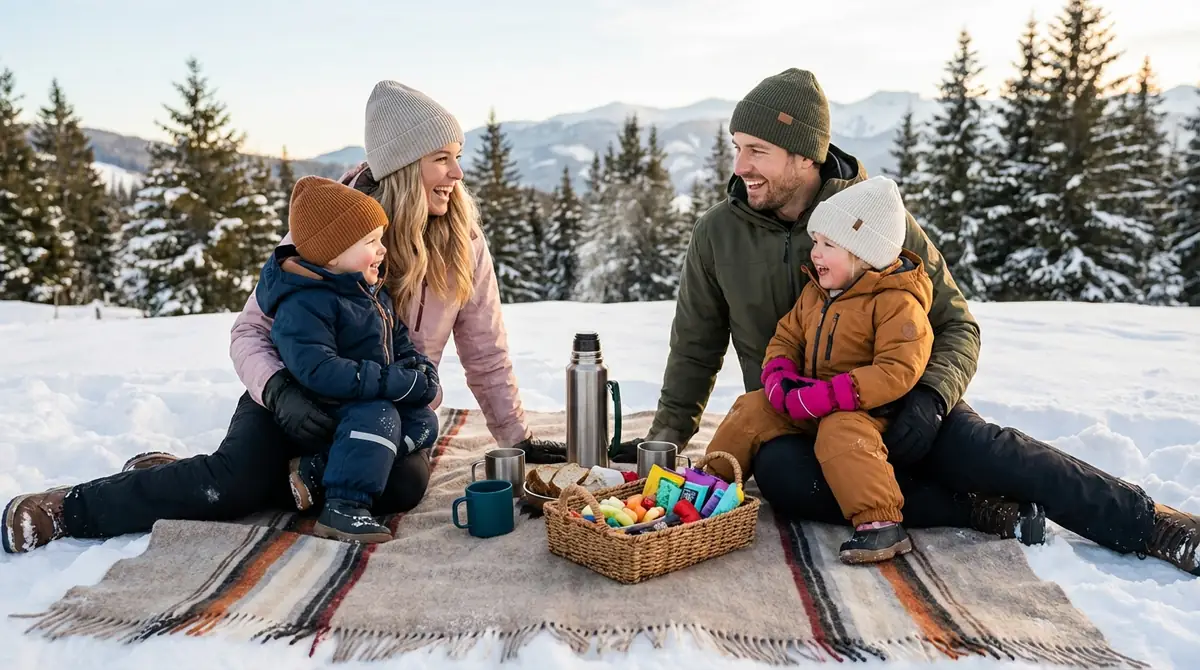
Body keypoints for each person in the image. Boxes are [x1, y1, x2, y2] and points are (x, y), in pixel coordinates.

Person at [637, 68, 1200, 576]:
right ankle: (975, 510)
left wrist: (932, 397)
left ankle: (1152, 525)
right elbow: (695, 348)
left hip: (900, 399)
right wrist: (659, 451)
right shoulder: (718, 233)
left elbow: (958, 325)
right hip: (800, 417)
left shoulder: (875, 220)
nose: (739, 168)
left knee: (986, 450)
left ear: (804, 155)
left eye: (755, 150)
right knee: (785, 480)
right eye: (737, 148)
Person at [2, 80, 562, 554]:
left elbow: (485, 350)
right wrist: (277, 393)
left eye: (457, 156)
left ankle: (283, 476)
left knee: (402, 487)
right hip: (301, 399)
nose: (458, 174)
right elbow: (250, 329)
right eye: (443, 158)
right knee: (236, 484)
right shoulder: (330, 225)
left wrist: (516, 437)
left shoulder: (462, 242)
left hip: (379, 411)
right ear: (404, 165)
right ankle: (70, 509)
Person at [706, 175, 945, 564]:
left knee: (841, 432)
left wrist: (834, 395)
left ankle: (880, 523)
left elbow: (897, 369)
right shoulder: (817, 292)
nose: (815, 253)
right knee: (750, 408)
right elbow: (788, 335)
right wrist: (779, 373)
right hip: (811, 399)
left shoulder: (897, 302)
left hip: (869, 411)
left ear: (863, 253)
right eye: (816, 241)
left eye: (828, 245)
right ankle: (708, 490)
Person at [254, 175, 441, 543]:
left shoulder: (367, 292)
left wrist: (419, 370)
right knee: (381, 416)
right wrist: (393, 383)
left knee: (424, 421)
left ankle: (322, 469)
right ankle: (344, 507)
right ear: (334, 254)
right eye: (371, 242)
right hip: (326, 405)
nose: (383, 249)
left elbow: (399, 340)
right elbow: (319, 370)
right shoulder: (305, 303)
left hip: (363, 398)